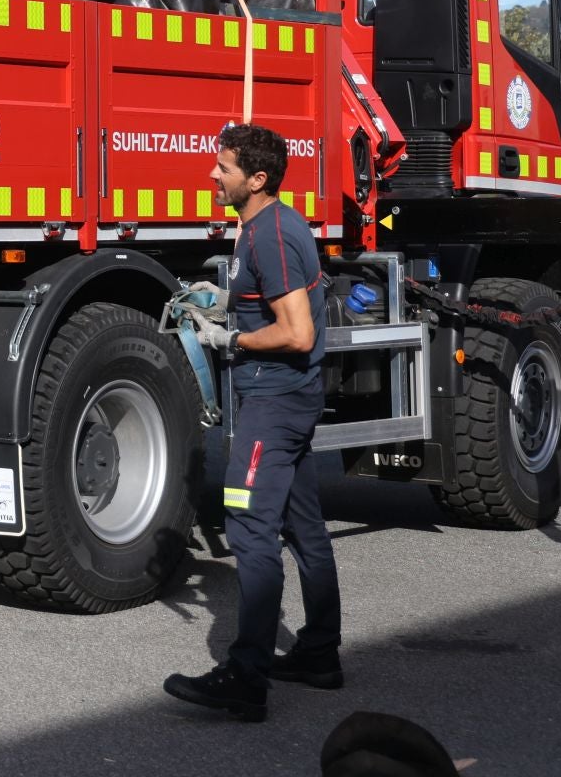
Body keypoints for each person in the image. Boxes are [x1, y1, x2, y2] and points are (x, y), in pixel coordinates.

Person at [165, 123, 342, 722]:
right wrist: (225, 303)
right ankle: (318, 656)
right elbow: (275, 305)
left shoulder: (270, 235)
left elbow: (297, 332)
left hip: (273, 403)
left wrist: (230, 337)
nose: (212, 175)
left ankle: (246, 677)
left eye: (224, 168)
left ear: (256, 179)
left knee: (247, 527)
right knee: (304, 526)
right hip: (287, 399)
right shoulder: (268, 226)